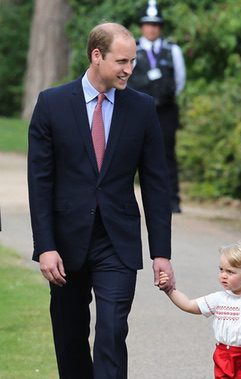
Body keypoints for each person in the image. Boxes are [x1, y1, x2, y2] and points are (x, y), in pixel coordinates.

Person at [27, 22, 175, 379]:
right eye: (121, 61)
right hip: (65, 244)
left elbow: (156, 184)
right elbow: (40, 182)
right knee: (70, 335)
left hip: (117, 242)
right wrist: (45, 246)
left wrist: (161, 253)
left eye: (133, 61)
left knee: (111, 330)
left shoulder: (141, 108)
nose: (129, 69)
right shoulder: (52, 104)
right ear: (96, 56)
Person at [159, 242, 241, 379]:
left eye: (230, 272)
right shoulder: (219, 299)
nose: (223, 275)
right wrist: (169, 290)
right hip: (226, 359)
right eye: (221, 270)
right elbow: (189, 305)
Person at [127, 0, 186, 213]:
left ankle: (172, 200)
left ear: (160, 27)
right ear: (142, 26)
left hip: (165, 111)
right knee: (131, 154)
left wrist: (164, 98)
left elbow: (179, 81)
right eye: (148, 24)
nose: (152, 28)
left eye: (156, 24)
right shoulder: (133, 49)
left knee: (166, 155)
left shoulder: (173, 50)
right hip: (137, 111)